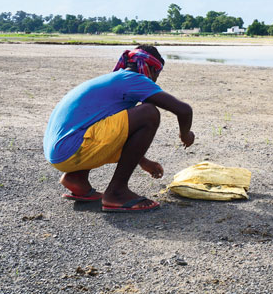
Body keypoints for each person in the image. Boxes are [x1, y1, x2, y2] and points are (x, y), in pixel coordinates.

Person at [43, 45, 194, 212]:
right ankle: (116, 192)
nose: (156, 80)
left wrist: (143, 161)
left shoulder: (113, 80)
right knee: (149, 112)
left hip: (59, 153)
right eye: (157, 74)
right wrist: (186, 134)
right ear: (151, 69)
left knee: (103, 120)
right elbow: (184, 110)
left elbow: (114, 131)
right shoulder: (134, 79)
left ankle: (77, 178)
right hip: (73, 148)